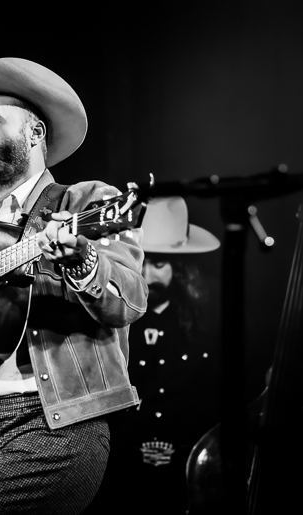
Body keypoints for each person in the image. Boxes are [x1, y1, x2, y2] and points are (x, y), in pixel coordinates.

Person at [0, 57, 150, 514]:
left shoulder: (89, 201)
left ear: (35, 133)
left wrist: (82, 258)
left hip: (58, 426)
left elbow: (131, 299)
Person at [89, 196, 222, 513]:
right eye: (143, 261)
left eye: (159, 264)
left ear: (181, 268)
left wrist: (180, 448)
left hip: (189, 468)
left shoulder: (207, 322)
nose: (147, 274)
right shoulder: (111, 319)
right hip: (121, 470)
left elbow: (213, 397)